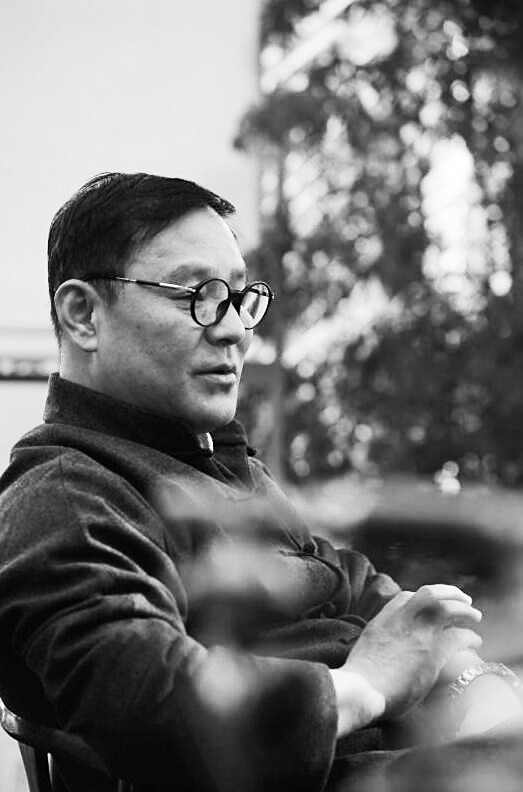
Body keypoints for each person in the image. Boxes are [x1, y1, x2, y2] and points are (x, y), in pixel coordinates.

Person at [0, 172, 521, 792]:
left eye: (238, 297)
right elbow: (152, 705)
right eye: (197, 294)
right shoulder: (67, 493)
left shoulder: (224, 464)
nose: (234, 329)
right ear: (83, 315)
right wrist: (364, 686)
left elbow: (378, 604)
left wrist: (480, 694)